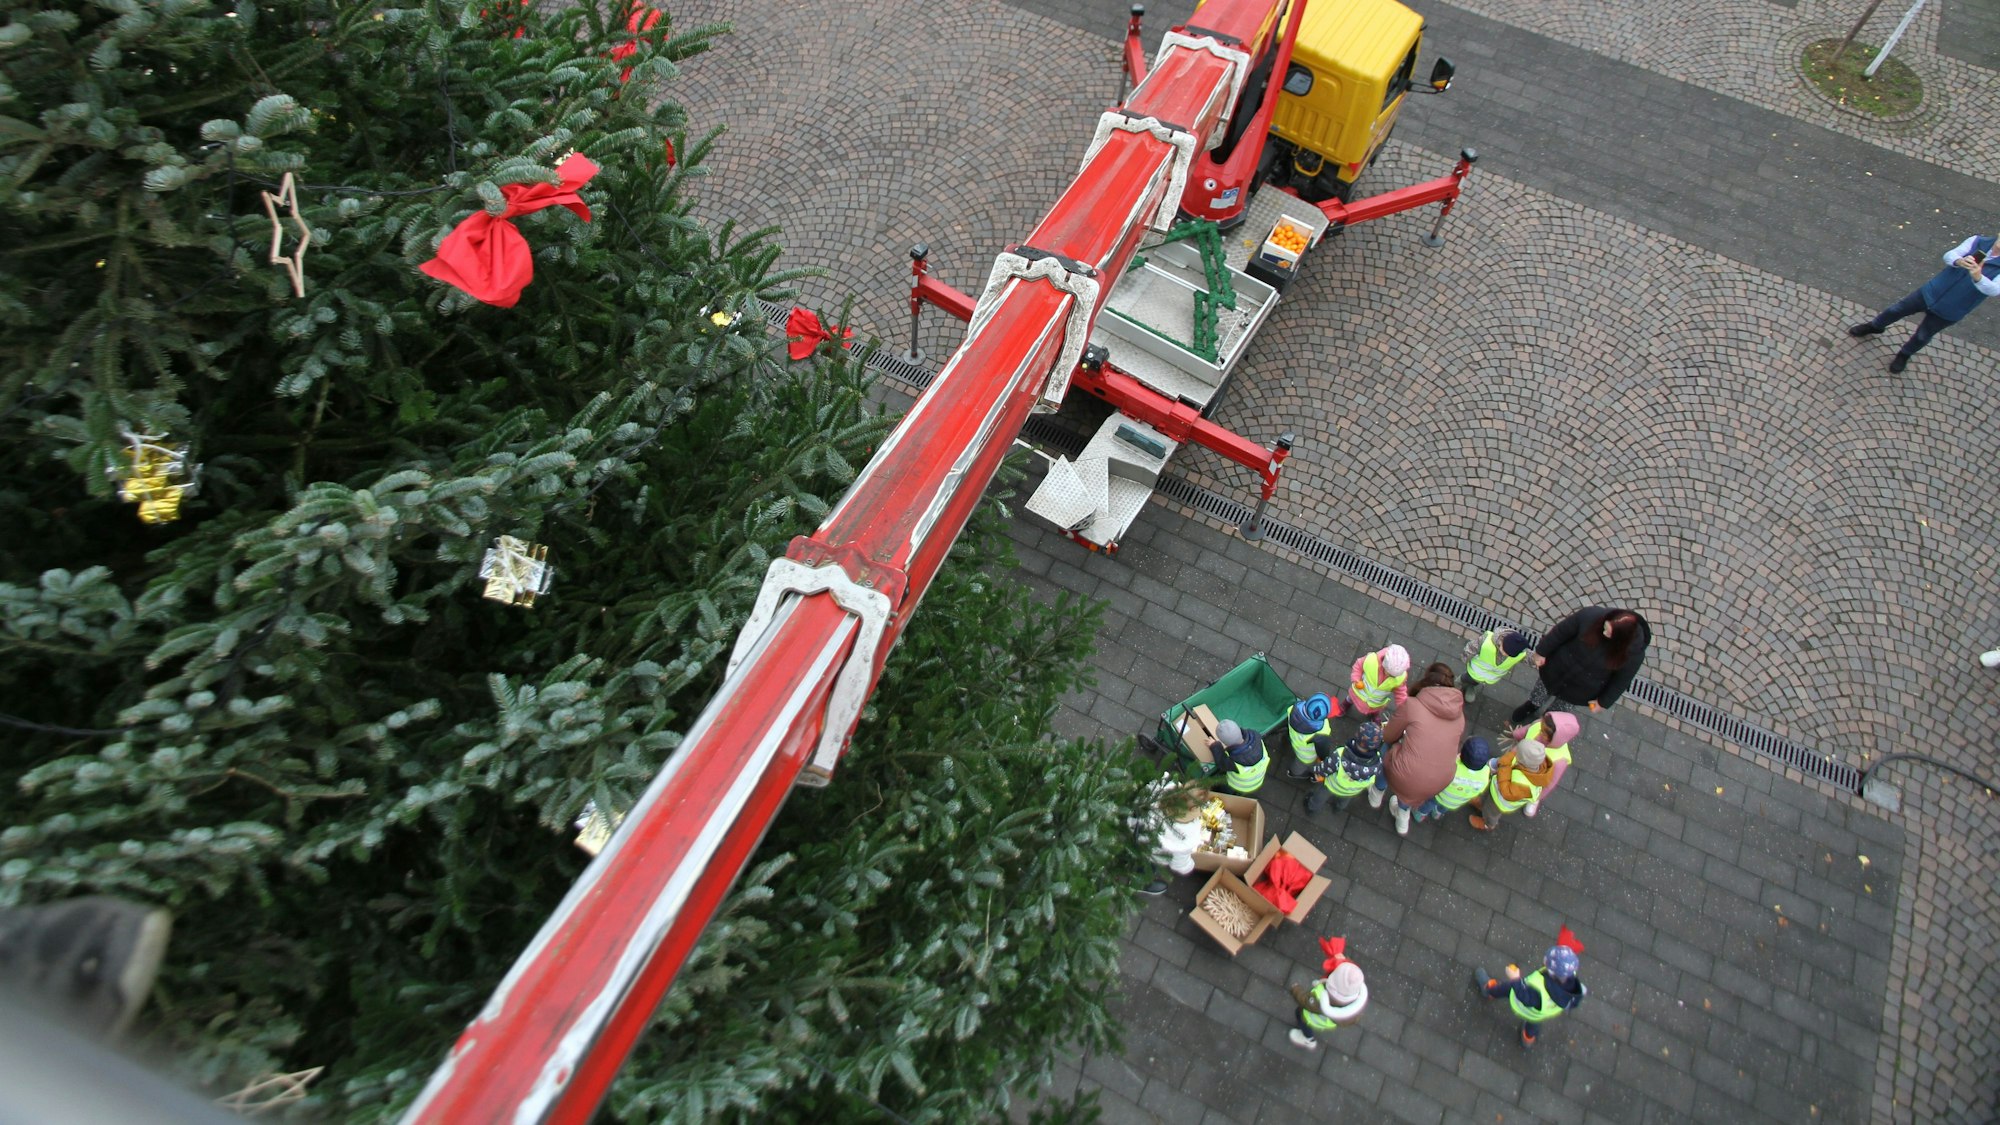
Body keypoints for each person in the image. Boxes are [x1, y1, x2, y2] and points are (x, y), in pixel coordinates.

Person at [1850, 234, 2000, 373]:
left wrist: (1978, 277)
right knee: (1896, 310)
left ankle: (1904, 354)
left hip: (1953, 308)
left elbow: (1994, 290)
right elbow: (1949, 255)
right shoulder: (1977, 241)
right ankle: (1875, 326)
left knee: (1923, 335)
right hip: (1930, 291)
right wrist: (1959, 261)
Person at [1508, 607, 1651, 730]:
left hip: (1581, 690)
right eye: (1605, 627)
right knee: (1541, 689)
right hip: (1556, 669)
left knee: (1561, 709)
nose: (1604, 632)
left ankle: (1547, 722)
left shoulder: (1633, 655)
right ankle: (1531, 706)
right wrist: (1542, 652)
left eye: (1609, 632)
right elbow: (1560, 632)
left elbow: (1621, 681)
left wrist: (1603, 702)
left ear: (1621, 639)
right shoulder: (1590, 616)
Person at [1374, 662, 1466, 836]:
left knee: (1387, 748)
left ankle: (1377, 791)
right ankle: (1403, 814)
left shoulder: (1413, 705)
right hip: (1438, 782)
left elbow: (1388, 736)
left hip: (1406, 774)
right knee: (1413, 786)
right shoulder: (1459, 717)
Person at [1474, 928, 1588, 1048]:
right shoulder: (1571, 981)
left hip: (1528, 1005)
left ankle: (1489, 990)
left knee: (1506, 989)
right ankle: (1528, 1039)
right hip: (1540, 1013)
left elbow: (1525, 997)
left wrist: (1515, 979)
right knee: (1533, 1024)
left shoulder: (1539, 991)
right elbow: (1562, 962)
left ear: (1551, 971)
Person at [1465, 734, 1555, 832]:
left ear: (1523, 760)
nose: (1515, 753)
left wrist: (1504, 766)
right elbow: (1511, 757)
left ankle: (1488, 824)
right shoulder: (1533, 763)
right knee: (1487, 795)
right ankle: (1481, 804)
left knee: (1490, 813)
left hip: (1499, 802)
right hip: (1496, 788)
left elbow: (1506, 792)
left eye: (1518, 753)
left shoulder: (1525, 785)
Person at [1289, 944, 1367, 1051]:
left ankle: (1308, 1039)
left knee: (1300, 1017)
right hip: (1327, 1020)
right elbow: (1348, 977)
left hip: (1310, 1018)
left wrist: (1295, 989)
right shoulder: (1352, 1002)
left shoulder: (1320, 1001)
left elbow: (1305, 1000)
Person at [1302, 724, 1384, 814]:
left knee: (1320, 796)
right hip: (1351, 790)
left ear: (1357, 735)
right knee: (1345, 799)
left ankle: (1311, 807)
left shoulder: (1340, 755)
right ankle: (1338, 807)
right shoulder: (1377, 762)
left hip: (1332, 785)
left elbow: (1325, 768)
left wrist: (1316, 770)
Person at [1507, 711, 1580, 807]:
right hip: (1517, 758)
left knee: (1520, 789)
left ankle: (1531, 800)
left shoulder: (1560, 760)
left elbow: (1549, 783)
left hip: (1532, 778)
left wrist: (1538, 796)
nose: (1539, 733)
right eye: (1541, 727)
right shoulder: (1538, 725)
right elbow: (1528, 729)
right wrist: (1517, 734)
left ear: (1555, 738)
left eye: (1544, 733)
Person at [1415, 736, 1494, 823]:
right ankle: (1437, 813)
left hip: (1439, 795)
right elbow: (1478, 791)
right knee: (1444, 807)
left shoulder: (1452, 767)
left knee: (1430, 803)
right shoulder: (1485, 774)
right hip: (1455, 802)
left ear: (1461, 755)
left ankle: (1420, 814)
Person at [1460, 627, 1531, 704]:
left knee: (1475, 681)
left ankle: (1470, 687)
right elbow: (1471, 648)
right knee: (1467, 678)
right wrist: (1465, 658)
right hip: (1474, 671)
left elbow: (1530, 657)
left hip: (1485, 677)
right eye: (1504, 650)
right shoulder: (1486, 641)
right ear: (1502, 641)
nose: (1505, 654)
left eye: (1509, 654)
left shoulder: (1519, 652)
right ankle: (1459, 682)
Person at [1281, 692, 1339, 779]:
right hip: (1305, 755)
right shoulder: (1321, 733)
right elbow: (1323, 750)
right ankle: (1294, 773)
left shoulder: (1293, 708)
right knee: (1301, 765)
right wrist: (1323, 759)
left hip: (1294, 739)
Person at [1347, 644, 1410, 721]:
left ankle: (1374, 715)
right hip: (1358, 693)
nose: (1392, 677)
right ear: (1384, 665)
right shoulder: (1371, 660)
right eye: (1390, 674)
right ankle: (1346, 704)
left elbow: (1401, 693)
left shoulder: (1399, 678)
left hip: (1376, 703)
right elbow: (1358, 666)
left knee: (1375, 710)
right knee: (1350, 698)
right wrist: (1356, 679)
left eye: (1395, 676)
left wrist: (1402, 707)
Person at [1208, 718, 1268, 796]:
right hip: (1258, 778)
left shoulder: (1235, 761)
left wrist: (1215, 746)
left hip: (1241, 785)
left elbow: (1221, 763)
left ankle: (1226, 794)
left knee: (1225, 788)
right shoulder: (1256, 737)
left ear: (1225, 744)